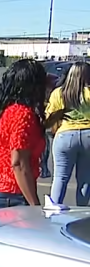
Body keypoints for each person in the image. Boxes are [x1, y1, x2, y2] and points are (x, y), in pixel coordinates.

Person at [0, 59, 52, 211]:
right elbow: (18, 163)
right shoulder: (22, 114)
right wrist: (34, 205)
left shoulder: (3, 109)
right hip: (10, 194)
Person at [46, 61, 90, 205]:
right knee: (85, 180)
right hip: (88, 135)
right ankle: (81, 213)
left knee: (60, 177)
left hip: (65, 135)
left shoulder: (59, 93)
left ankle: (54, 209)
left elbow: (50, 117)